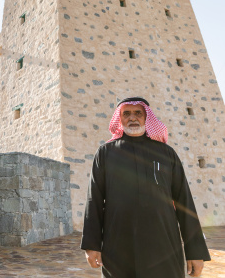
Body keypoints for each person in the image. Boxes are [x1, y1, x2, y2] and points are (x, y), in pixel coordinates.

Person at [81, 97, 211, 277]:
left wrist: (195, 251)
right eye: (126, 113)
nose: (132, 117)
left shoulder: (166, 153)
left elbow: (184, 201)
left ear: (146, 118)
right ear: (120, 118)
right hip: (118, 246)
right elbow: (93, 200)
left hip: (163, 246)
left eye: (138, 113)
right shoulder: (105, 153)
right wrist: (91, 244)